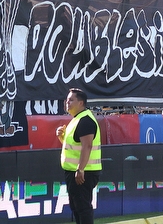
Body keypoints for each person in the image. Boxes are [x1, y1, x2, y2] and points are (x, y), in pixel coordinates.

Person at [56, 88, 102, 224]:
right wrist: (61, 137)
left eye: (71, 100)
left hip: (84, 172)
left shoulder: (85, 121)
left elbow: (87, 146)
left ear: (81, 103)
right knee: (77, 207)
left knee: (82, 207)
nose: (67, 103)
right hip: (75, 171)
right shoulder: (77, 119)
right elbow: (73, 146)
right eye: (67, 100)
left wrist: (80, 169)